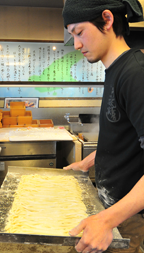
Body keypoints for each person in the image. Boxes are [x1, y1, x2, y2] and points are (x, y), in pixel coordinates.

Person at [62, 0, 144, 252]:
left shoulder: (136, 74)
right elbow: (123, 142)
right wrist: (87, 163)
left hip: (126, 218)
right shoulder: (114, 71)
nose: (76, 44)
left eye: (79, 32)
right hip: (110, 210)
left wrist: (107, 220)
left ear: (107, 20)